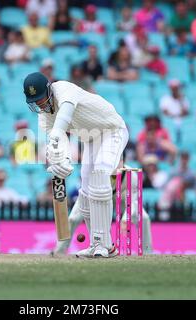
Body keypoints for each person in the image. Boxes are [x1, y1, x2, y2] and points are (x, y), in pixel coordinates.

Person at [23, 71, 129, 258]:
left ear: (49, 89)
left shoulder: (64, 89)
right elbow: (59, 141)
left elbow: (65, 114)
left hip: (112, 130)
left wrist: (56, 134)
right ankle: (97, 244)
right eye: (35, 102)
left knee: (101, 174)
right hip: (90, 139)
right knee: (86, 190)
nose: (40, 104)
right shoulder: (44, 117)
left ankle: (106, 245)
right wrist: (61, 161)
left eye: (41, 99)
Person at [52, 163, 153, 256]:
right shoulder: (96, 170)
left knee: (143, 218)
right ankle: (59, 250)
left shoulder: (132, 175)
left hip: (122, 197)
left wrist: (125, 219)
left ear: (123, 162)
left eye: (119, 161)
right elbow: (86, 191)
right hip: (96, 195)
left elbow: (133, 200)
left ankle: (147, 252)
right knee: (73, 219)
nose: (115, 164)